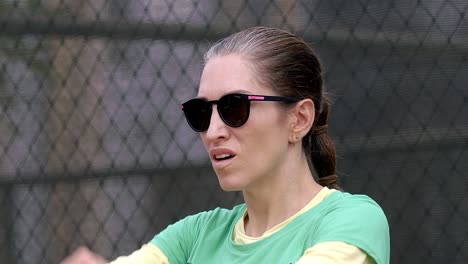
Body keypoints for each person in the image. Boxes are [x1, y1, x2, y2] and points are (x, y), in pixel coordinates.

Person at [61, 26, 390, 264]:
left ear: (299, 119)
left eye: (235, 107)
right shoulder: (193, 236)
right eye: (201, 112)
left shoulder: (352, 221)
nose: (212, 131)